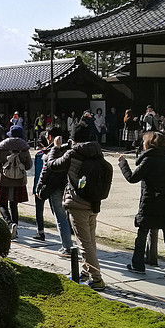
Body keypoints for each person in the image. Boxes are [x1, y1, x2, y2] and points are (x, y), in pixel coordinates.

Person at [47, 123, 107, 290]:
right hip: (93, 201)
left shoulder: (73, 153)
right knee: (90, 240)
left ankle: (97, 279)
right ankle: (86, 271)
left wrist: (55, 147)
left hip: (78, 202)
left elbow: (53, 164)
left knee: (84, 243)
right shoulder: (96, 151)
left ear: (73, 139)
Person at [118, 131, 165, 282]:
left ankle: (138, 265)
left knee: (142, 233)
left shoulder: (149, 160)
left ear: (149, 144)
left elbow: (132, 178)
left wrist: (122, 163)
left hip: (151, 202)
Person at [32, 127, 74, 255]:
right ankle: (67, 244)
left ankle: (67, 246)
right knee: (65, 217)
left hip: (54, 187)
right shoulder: (69, 150)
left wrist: (38, 188)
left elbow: (45, 172)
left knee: (60, 217)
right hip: (67, 186)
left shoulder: (52, 151)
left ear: (50, 137)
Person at [0, 125, 32, 239]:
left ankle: (9, 224)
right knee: (14, 205)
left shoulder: (2, 146)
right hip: (19, 181)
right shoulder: (24, 147)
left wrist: (2, 165)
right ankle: (16, 228)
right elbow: (28, 166)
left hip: (4, 180)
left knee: (2, 205)